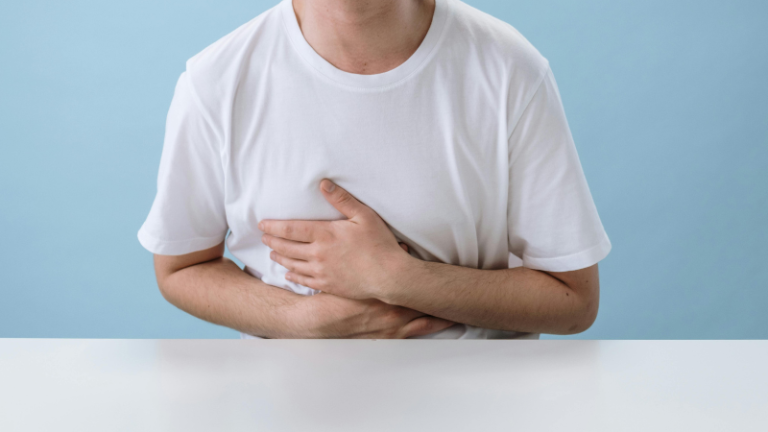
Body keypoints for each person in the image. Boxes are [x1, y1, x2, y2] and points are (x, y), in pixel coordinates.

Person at [137, 0, 612, 339]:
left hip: (476, 407)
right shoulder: (216, 80)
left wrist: (398, 279)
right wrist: (301, 320)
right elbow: (181, 268)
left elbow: (572, 301)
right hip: (290, 407)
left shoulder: (508, 68)